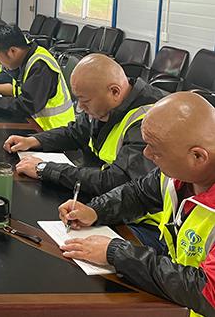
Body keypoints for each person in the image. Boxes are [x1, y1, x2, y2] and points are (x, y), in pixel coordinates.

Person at [58, 93, 215, 317]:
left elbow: (207, 293)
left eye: (156, 150)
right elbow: (139, 193)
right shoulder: (178, 174)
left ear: (198, 157)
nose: (146, 154)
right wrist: (95, 210)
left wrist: (116, 252)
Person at [5, 54, 166, 195]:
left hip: (138, 216)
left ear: (115, 91)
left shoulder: (148, 122)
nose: (81, 107)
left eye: (85, 101)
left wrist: (45, 169)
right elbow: (76, 132)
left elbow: (116, 181)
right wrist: (34, 140)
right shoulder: (104, 104)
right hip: (103, 193)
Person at [0, 24, 75, 131]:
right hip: (35, 124)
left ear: (12, 51)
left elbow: (26, 105)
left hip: (53, 130)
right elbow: (18, 92)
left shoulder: (40, 65)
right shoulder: (24, 60)